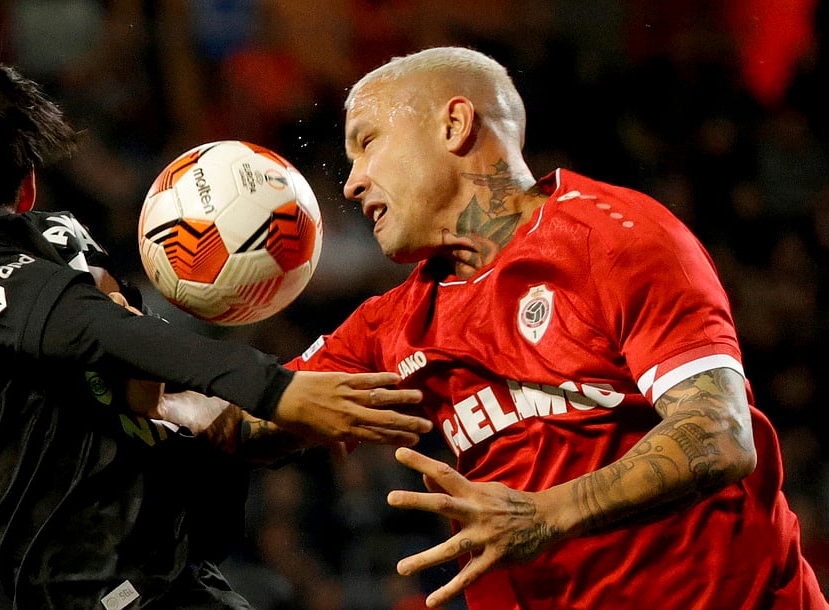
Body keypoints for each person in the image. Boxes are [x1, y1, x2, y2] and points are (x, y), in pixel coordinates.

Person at [0, 49, 431, 609]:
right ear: (28, 186)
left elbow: (131, 376)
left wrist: (268, 405)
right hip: (118, 589)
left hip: (133, 583)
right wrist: (265, 394)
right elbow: (101, 335)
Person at [287, 46, 829, 609]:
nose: (352, 183)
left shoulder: (616, 239)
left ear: (454, 124)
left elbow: (719, 435)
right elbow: (246, 417)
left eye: (368, 142)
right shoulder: (394, 322)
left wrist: (545, 515)